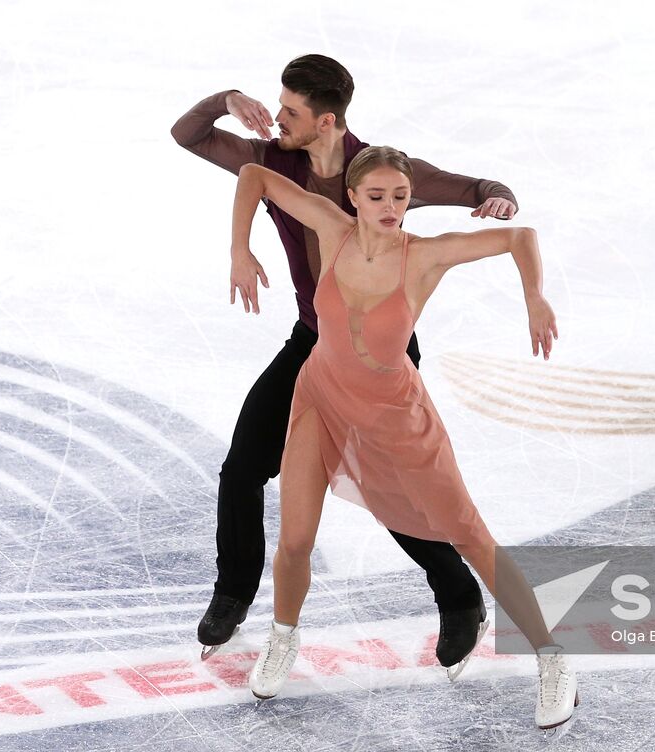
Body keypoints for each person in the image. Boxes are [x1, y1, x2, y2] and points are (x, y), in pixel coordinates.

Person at [171, 55, 520, 674]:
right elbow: (188, 136)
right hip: (311, 344)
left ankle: (460, 596)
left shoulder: (378, 174)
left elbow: (477, 189)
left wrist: (498, 199)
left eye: (290, 111)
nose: (277, 119)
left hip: (380, 356)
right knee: (243, 467)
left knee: (390, 489)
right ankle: (233, 593)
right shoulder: (272, 158)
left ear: (326, 120)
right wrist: (226, 99)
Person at [229, 147, 578, 729]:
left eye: (400, 197)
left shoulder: (425, 256)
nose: (390, 207)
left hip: (395, 414)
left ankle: (553, 657)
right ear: (352, 198)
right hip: (320, 396)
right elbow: (253, 175)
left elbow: (520, 237)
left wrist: (534, 296)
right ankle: (283, 636)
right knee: (295, 540)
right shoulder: (331, 227)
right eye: (376, 196)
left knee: (469, 535)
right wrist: (240, 250)